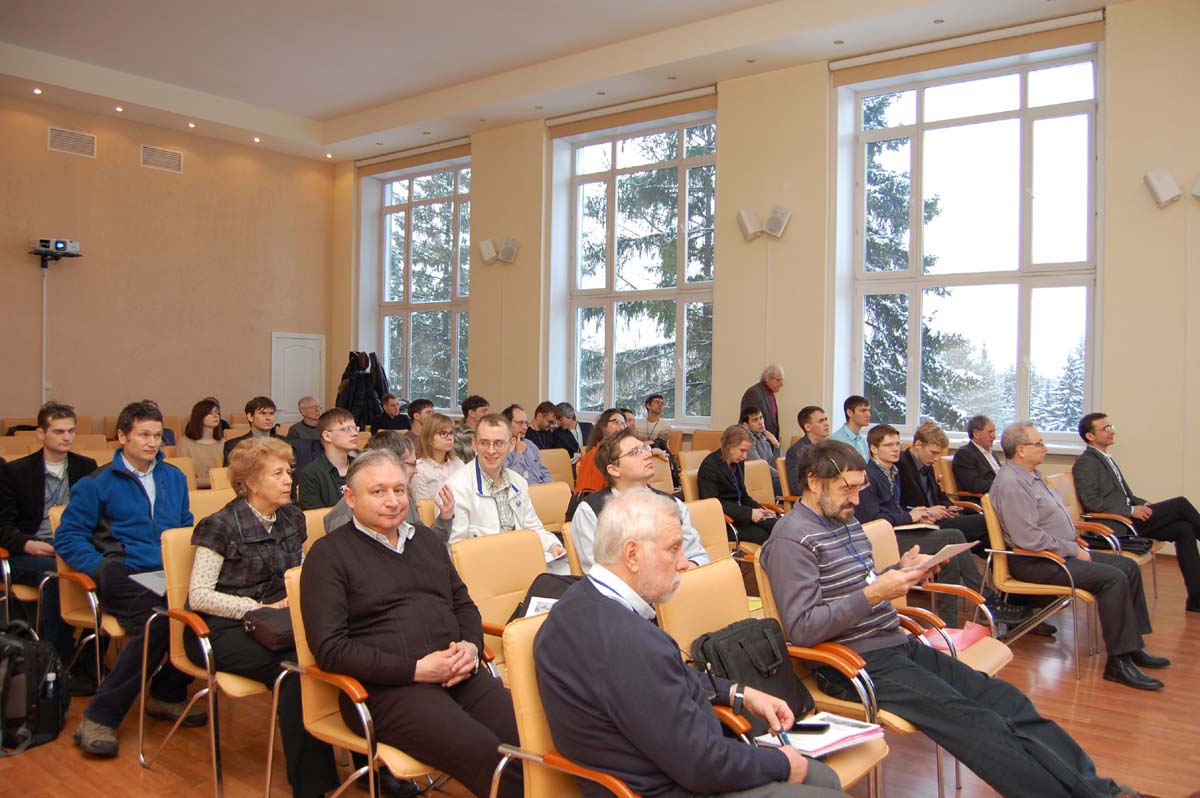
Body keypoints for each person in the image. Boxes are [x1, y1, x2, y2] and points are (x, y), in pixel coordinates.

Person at [761, 440, 1148, 798]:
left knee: (1008, 702)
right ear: (814, 482)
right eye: (847, 489)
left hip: (894, 645)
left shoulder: (843, 521)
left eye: (860, 488)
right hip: (852, 665)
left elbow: (858, 586)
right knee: (978, 725)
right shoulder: (791, 540)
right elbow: (803, 628)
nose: (856, 499)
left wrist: (900, 571)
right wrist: (877, 592)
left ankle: (1104, 792)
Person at [536, 490, 847, 798]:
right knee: (820, 780)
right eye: (674, 549)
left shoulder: (576, 604)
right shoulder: (629, 642)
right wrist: (782, 763)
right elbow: (701, 766)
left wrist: (738, 692)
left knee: (820, 776)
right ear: (632, 555)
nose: (684, 563)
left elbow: (663, 679)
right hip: (675, 786)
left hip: (671, 768)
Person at [300, 449, 523, 798]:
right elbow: (331, 649)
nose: (392, 501)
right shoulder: (328, 556)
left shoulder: (426, 540)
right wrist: (417, 670)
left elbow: (463, 604)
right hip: (385, 691)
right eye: (378, 492)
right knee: (489, 757)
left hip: (458, 672)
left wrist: (470, 646)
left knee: (532, 741)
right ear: (350, 498)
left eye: (399, 490)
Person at [185, 437, 339, 798]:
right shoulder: (219, 525)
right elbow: (200, 596)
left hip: (277, 620)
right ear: (252, 482)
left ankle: (369, 762)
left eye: (289, 471)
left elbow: (298, 569)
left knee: (336, 649)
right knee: (295, 670)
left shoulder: (291, 517)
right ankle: (311, 788)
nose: (289, 480)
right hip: (218, 628)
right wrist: (258, 608)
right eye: (278, 474)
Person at [54, 400, 202, 757]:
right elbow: (68, 536)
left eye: (157, 436)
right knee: (160, 620)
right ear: (122, 437)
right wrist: (100, 568)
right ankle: (99, 716)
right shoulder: (97, 483)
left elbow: (183, 526)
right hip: (122, 571)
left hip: (167, 571)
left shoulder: (173, 478)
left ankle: (166, 692)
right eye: (144, 435)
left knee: (207, 607)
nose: (152, 443)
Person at [990, 422, 1169, 691]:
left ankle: (1132, 647)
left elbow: (1048, 520)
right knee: (1112, 578)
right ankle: (1118, 662)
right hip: (1036, 561)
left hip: (1057, 552)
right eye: (1039, 444)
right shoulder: (1011, 483)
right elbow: (1028, 538)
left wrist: (1073, 539)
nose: (1045, 448)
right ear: (1021, 450)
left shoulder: (1032, 475)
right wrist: (1072, 549)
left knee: (1128, 567)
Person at [0, 402, 97, 678]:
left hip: (72, 546)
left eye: (71, 431)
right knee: (57, 576)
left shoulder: (86, 467)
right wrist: (27, 544)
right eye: (58, 431)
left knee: (108, 569)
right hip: (28, 551)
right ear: (41, 434)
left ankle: (88, 657)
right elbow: (3, 525)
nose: (66, 437)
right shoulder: (16, 471)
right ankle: (55, 662)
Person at [1073, 412, 1200, 612]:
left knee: (1184, 529)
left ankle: (1196, 600)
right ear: (1090, 436)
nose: (1112, 431)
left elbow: (1127, 496)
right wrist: (1131, 510)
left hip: (1128, 519)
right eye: (1105, 429)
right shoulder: (1086, 462)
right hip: (1116, 526)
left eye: (1111, 427)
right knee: (1180, 504)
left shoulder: (1105, 458)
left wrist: (1144, 504)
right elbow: (1091, 502)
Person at [855, 424, 982, 625]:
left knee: (949, 556)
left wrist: (919, 515)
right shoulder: (869, 476)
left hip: (899, 531)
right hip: (884, 541)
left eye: (897, 444)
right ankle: (982, 595)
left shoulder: (892, 471)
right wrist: (909, 517)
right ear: (874, 449)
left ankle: (949, 621)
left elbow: (894, 510)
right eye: (889, 445)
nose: (896, 449)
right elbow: (873, 519)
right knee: (953, 536)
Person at [570, 430, 709, 573]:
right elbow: (598, 572)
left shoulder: (672, 504)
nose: (648, 455)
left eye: (645, 448)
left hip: (681, 581)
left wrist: (681, 573)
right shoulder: (591, 511)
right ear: (614, 469)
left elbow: (697, 557)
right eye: (635, 452)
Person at [446, 414, 567, 567]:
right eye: (484, 443)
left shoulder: (518, 482)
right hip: (483, 568)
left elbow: (533, 527)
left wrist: (552, 546)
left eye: (499, 443)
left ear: (511, 445)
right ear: (474, 444)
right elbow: (455, 549)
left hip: (519, 562)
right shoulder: (457, 487)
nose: (491, 451)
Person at [324, 431, 454, 543]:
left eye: (398, 491)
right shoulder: (343, 519)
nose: (416, 471)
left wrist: (444, 519)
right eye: (412, 464)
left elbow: (423, 544)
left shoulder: (404, 499)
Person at [896, 421, 989, 546]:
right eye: (933, 452)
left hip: (940, 518)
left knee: (987, 535)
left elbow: (940, 496)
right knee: (988, 522)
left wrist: (948, 507)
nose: (936, 459)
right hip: (924, 523)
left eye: (938, 454)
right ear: (918, 445)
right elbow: (899, 506)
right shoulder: (900, 465)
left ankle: (999, 558)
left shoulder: (926, 463)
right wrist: (929, 511)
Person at [698, 425, 777, 545]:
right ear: (729, 446)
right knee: (763, 535)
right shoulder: (710, 466)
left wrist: (761, 510)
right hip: (724, 521)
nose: (745, 456)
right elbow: (712, 504)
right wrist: (749, 513)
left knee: (778, 525)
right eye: (742, 450)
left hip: (740, 514)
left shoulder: (738, 463)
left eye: (747, 451)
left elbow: (743, 496)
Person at [298, 408, 359, 510]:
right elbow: (315, 516)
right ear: (327, 436)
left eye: (355, 428)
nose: (355, 433)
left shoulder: (362, 466)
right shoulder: (311, 474)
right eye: (347, 429)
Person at [411, 412, 466, 501]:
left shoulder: (459, 464)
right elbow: (424, 506)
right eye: (443, 433)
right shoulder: (419, 470)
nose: (449, 438)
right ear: (429, 437)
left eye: (451, 433)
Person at [573, 409, 627, 494]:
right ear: (603, 426)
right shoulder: (594, 456)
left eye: (624, 424)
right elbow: (589, 495)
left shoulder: (621, 454)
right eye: (616, 422)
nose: (621, 427)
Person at [176, 398, 224, 488]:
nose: (215, 416)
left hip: (222, 490)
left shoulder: (223, 443)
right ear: (199, 416)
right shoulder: (184, 443)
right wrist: (213, 481)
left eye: (217, 413)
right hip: (195, 491)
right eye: (210, 413)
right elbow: (184, 478)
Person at [951, 415, 1002, 494]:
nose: (994, 436)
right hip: (982, 498)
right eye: (990, 432)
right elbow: (975, 485)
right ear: (976, 433)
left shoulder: (991, 453)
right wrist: (1002, 484)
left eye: (994, 432)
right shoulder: (965, 454)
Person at [502, 404, 552, 485]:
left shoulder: (530, 444)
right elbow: (509, 480)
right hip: (521, 491)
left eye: (526, 423)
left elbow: (543, 471)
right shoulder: (501, 448)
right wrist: (518, 453)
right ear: (507, 424)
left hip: (541, 489)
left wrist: (551, 487)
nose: (525, 427)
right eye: (520, 423)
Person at [785, 406, 830, 495]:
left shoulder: (830, 447)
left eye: (826, 419)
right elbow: (797, 488)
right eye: (821, 421)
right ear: (807, 427)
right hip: (815, 497)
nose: (826, 424)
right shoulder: (796, 451)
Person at [223, 396, 283, 461]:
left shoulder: (284, 443)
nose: (268, 418)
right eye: (263, 413)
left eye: (271, 413)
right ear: (250, 417)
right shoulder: (234, 446)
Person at [741, 405, 782, 496]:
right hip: (757, 482)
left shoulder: (763, 437)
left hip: (770, 478)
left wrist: (777, 446)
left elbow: (774, 464)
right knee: (788, 484)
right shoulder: (747, 439)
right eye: (755, 420)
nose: (760, 422)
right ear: (746, 425)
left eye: (761, 418)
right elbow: (760, 467)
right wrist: (782, 475)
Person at [740, 364, 785, 440]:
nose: (782, 384)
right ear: (767, 378)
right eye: (778, 380)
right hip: (756, 442)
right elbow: (747, 421)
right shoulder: (754, 393)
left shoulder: (770, 393)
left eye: (782, 380)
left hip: (768, 442)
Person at [454, 395, 490, 464]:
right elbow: (459, 463)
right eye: (483, 411)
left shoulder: (489, 431)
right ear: (471, 413)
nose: (487, 414)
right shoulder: (456, 434)